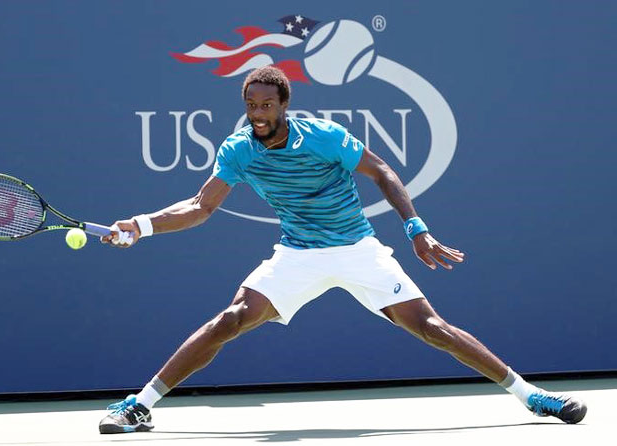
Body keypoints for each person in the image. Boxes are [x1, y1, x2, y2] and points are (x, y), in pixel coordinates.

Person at [98, 66, 586, 434]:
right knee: (230, 320)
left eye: (266, 105)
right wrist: (141, 225)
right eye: (251, 104)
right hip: (298, 255)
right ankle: (139, 405)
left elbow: (383, 173)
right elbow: (202, 207)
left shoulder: (325, 137)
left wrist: (415, 227)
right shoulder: (238, 148)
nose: (257, 114)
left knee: (432, 328)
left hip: (358, 249)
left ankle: (533, 396)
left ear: (283, 104)